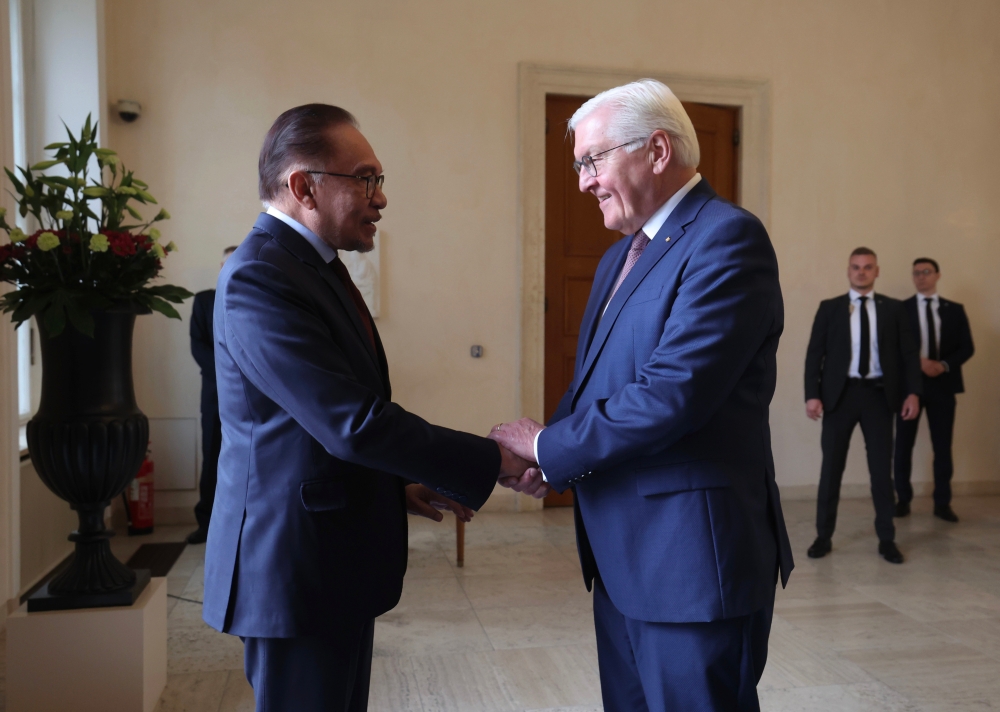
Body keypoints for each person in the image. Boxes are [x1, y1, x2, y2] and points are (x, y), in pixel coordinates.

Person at [202, 104, 540, 712]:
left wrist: (395, 487)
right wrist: (495, 458)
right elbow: (352, 423)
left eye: (377, 180)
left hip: (331, 556)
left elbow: (332, 421)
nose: (379, 198)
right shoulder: (260, 277)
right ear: (303, 185)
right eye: (365, 179)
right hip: (296, 568)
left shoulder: (312, 268)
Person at [490, 79, 793, 712]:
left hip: (689, 563)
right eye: (579, 165)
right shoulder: (616, 257)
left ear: (657, 150)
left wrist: (547, 446)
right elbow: (595, 388)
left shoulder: (727, 240)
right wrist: (552, 460)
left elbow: (672, 394)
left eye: (593, 160)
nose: (583, 182)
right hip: (622, 559)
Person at [804, 247, 921, 564]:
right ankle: (823, 536)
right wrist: (811, 394)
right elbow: (815, 354)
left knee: (882, 472)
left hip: (879, 397)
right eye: (856, 267)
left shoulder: (894, 309)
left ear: (877, 271)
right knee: (831, 471)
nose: (861, 272)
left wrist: (913, 393)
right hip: (839, 398)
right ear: (848, 270)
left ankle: (887, 538)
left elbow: (909, 355)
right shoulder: (830, 308)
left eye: (868, 267)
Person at [893, 258, 974, 522]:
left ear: (937, 275)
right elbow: (891, 346)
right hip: (909, 388)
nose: (921, 277)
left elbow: (967, 347)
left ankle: (942, 503)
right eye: (916, 273)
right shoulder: (901, 309)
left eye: (926, 272)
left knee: (942, 446)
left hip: (943, 385)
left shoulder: (955, 310)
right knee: (903, 445)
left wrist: (943, 365)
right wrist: (920, 362)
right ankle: (903, 499)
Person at [186, 245, 237, 545]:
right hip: (215, 394)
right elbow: (198, 346)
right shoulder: (204, 301)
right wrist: (231, 372)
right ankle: (206, 524)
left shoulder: (254, 297)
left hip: (250, 396)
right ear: (221, 267)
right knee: (212, 455)